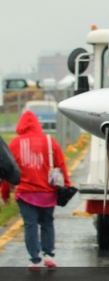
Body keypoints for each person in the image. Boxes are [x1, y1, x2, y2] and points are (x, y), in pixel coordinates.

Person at [1, 111, 70, 269]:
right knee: (47, 223)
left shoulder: (15, 143)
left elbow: (7, 170)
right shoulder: (49, 141)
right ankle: (49, 254)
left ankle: (34, 258)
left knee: (30, 225)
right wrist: (65, 184)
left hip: (25, 193)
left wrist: (4, 193)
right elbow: (61, 164)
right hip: (48, 192)